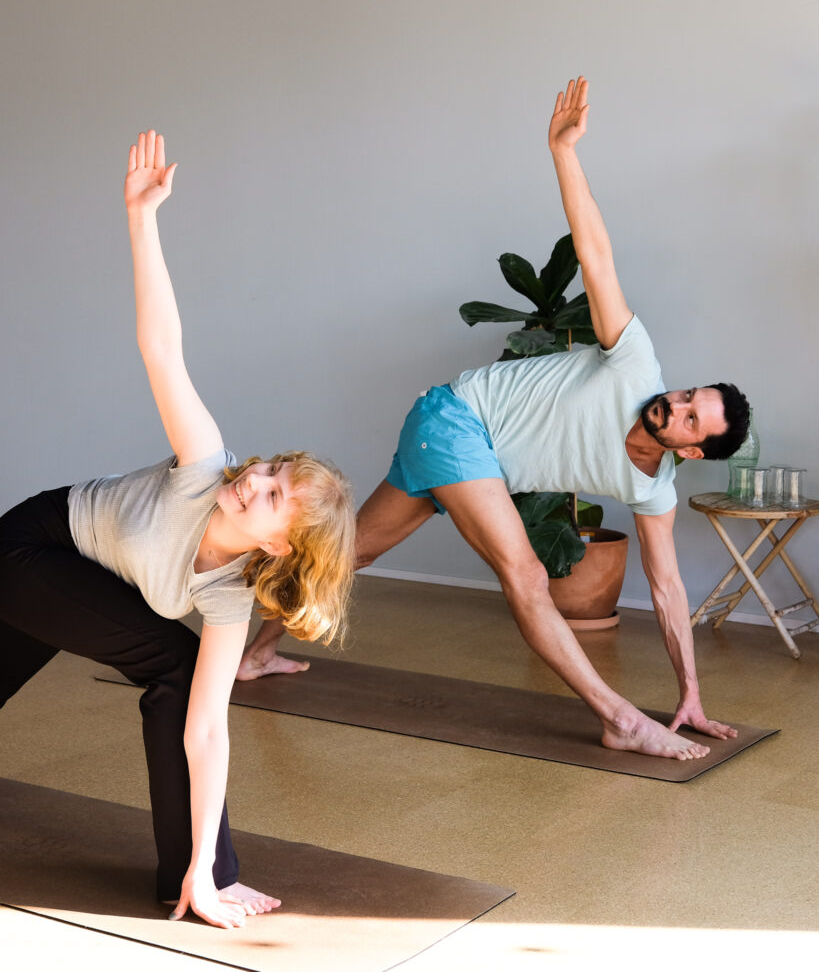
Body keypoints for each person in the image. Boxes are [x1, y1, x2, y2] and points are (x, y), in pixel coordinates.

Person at [239, 78, 750, 762]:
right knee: (528, 576)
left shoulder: (651, 490)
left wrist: (690, 692)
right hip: (456, 420)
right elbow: (596, 256)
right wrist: (563, 152)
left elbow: (666, 589)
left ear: (690, 452)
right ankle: (619, 719)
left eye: (690, 419)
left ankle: (253, 653)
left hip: (456, 446)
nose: (676, 405)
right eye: (688, 396)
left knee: (349, 552)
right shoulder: (633, 363)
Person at [0, 131, 356, 928]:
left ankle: (196, 875)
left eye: (272, 494)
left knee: (185, 676)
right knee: (172, 658)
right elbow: (162, 348)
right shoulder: (203, 467)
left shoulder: (230, 595)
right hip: (31, 548)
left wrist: (204, 859)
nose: (251, 480)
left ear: (278, 547)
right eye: (269, 470)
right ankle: (199, 879)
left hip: (77, 583)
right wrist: (142, 218)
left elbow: (207, 729)